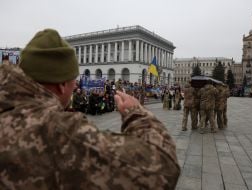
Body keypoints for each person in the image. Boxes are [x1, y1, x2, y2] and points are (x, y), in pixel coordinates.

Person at [0, 29, 180, 189]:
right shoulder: (59, 132)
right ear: (62, 85)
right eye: (73, 79)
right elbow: (162, 168)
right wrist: (136, 114)